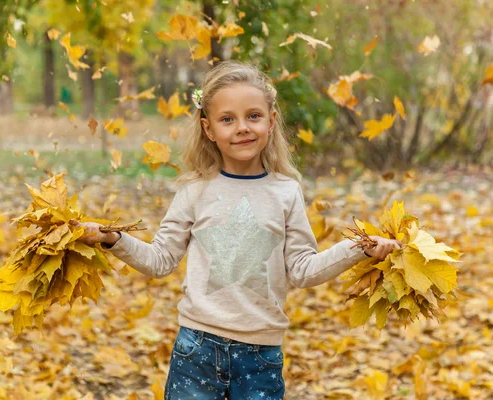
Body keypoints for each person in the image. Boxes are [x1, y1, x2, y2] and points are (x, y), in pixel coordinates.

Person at [78, 60, 401, 399]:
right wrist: (113, 238)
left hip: (260, 356)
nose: (242, 127)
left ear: (271, 121)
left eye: (253, 116)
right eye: (227, 119)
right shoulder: (195, 190)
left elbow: (304, 270)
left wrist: (360, 248)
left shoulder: (286, 191)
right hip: (196, 351)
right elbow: (160, 260)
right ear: (209, 129)